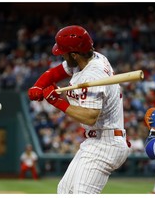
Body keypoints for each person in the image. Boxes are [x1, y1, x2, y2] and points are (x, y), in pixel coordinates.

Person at [28, 25, 131, 194]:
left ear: (74, 54)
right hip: (95, 140)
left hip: (106, 143)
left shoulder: (93, 73)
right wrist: (39, 86)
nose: (61, 54)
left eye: (63, 52)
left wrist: (56, 101)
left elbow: (90, 117)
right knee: (65, 191)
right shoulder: (88, 59)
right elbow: (54, 73)